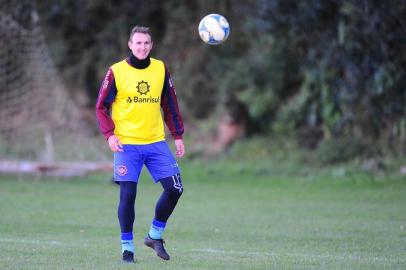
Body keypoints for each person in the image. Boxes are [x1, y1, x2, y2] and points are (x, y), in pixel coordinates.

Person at [95, 25, 185, 263]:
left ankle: (154, 235)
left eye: (146, 43)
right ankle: (127, 248)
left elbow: (170, 104)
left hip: (156, 142)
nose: (142, 47)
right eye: (138, 43)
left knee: (175, 188)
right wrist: (110, 135)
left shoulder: (161, 69)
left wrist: (177, 135)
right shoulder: (116, 71)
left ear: (151, 45)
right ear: (130, 45)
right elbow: (101, 106)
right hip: (127, 145)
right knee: (128, 195)